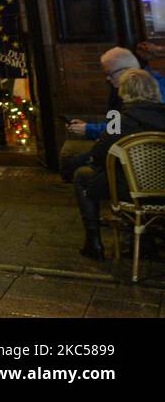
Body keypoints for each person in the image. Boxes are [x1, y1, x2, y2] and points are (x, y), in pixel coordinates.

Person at [70, 69, 165, 260]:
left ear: (124, 92)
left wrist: (72, 163)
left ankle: (93, 242)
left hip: (133, 192)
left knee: (82, 175)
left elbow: (98, 154)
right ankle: (144, 240)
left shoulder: (119, 120)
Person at [67, 47, 165, 141]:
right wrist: (87, 127)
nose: (107, 78)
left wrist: (89, 129)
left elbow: (123, 128)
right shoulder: (145, 83)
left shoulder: (148, 88)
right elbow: (117, 123)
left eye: (110, 73)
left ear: (125, 71)